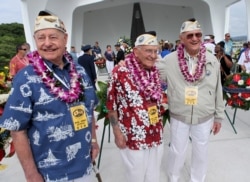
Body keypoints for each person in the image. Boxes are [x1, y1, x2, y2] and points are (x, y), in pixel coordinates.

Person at [0, 11, 99, 181]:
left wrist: (94, 141)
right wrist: (31, 174)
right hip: (51, 174)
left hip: (85, 165)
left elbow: (88, 110)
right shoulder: (25, 78)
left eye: (53, 37)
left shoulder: (80, 72)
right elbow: (17, 129)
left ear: (65, 39)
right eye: (41, 38)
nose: (47, 43)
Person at [156, 18, 224, 182]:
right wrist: (128, 63)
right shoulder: (169, 60)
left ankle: (197, 179)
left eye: (198, 35)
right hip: (180, 114)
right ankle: (174, 177)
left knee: (201, 151)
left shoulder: (211, 60)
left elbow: (218, 89)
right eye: (190, 35)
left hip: (204, 115)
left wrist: (218, 116)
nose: (195, 38)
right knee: (177, 150)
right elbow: (148, 70)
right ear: (182, 38)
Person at [106, 31, 164, 182]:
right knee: (135, 176)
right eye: (148, 51)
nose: (152, 55)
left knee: (154, 176)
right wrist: (117, 133)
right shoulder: (120, 71)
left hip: (155, 133)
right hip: (133, 136)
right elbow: (111, 105)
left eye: (155, 51)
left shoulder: (154, 71)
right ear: (136, 52)